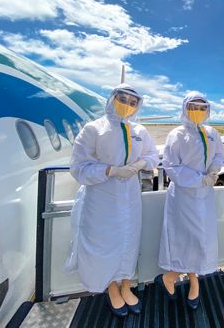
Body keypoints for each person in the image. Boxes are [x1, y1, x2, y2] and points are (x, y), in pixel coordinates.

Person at [66, 83, 159, 317]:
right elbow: (78, 167)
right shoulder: (93, 129)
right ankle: (110, 288)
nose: (127, 105)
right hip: (101, 198)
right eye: (123, 99)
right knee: (104, 244)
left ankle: (126, 285)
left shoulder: (139, 131)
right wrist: (110, 171)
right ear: (112, 99)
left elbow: (152, 156)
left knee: (130, 241)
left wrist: (139, 165)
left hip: (130, 197)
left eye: (133, 102)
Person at [156, 92, 224, 310]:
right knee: (185, 237)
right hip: (184, 196)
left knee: (202, 237)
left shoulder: (212, 132)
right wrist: (199, 179)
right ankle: (172, 276)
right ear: (184, 108)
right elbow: (171, 166)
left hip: (205, 195)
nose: (198, 111)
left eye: (202, 107)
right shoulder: (176, 134)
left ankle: (191, 278)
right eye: (193, 107)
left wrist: (214, 170)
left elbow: (219, 155)